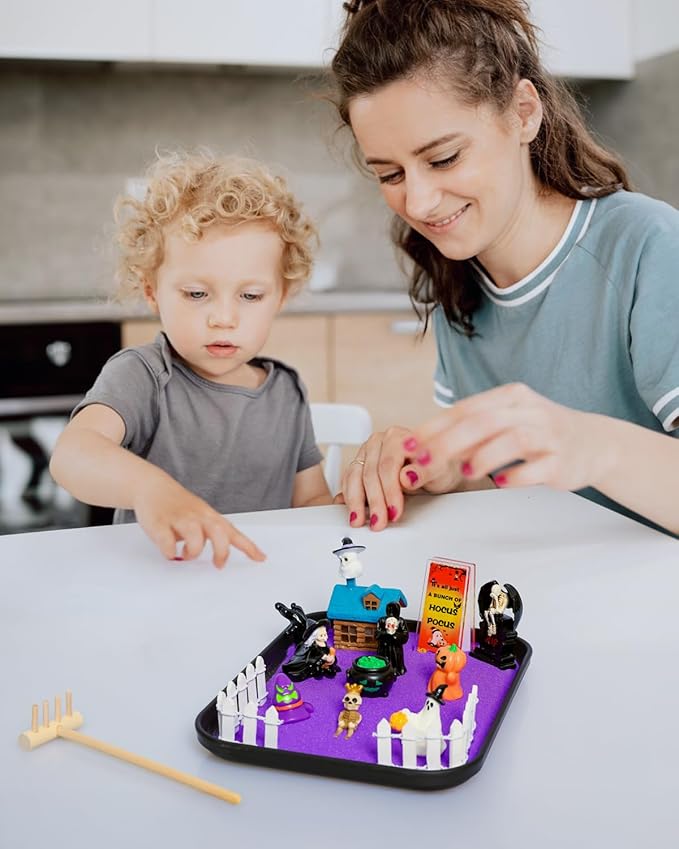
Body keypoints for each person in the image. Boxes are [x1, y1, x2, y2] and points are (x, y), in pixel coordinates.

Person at [330, 0, 679, 536]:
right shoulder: (455, 274)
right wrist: (444, 470)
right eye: (390, 174)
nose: (419, 203)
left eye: (444, 159)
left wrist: (592, 445)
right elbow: (514, 494)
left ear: (523, 112)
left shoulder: (648, 247)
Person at [50, 150, 332, 568]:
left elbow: (310, 499)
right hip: (154, 588)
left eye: (251, 296)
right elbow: (71, 455)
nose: (223, 318)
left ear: (281, 297)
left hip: (256, 590)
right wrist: (150, 489)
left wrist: (348, 515)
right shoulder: (142, 376)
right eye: (197, 294)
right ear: (152, 292)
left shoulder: (287, 392)